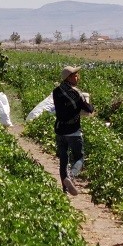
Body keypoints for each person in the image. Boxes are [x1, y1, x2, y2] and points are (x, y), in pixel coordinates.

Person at [51, 65, 95, 195]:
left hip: (60, 130)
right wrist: (89, 105)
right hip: (73, 131)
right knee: (79, 158)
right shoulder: (75, 93)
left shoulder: (56, 91)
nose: (77, 77)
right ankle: (71, 177)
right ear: (69, 78)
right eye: (75, 75)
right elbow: (88, 109)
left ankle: (65, 189)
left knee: (63, 160)